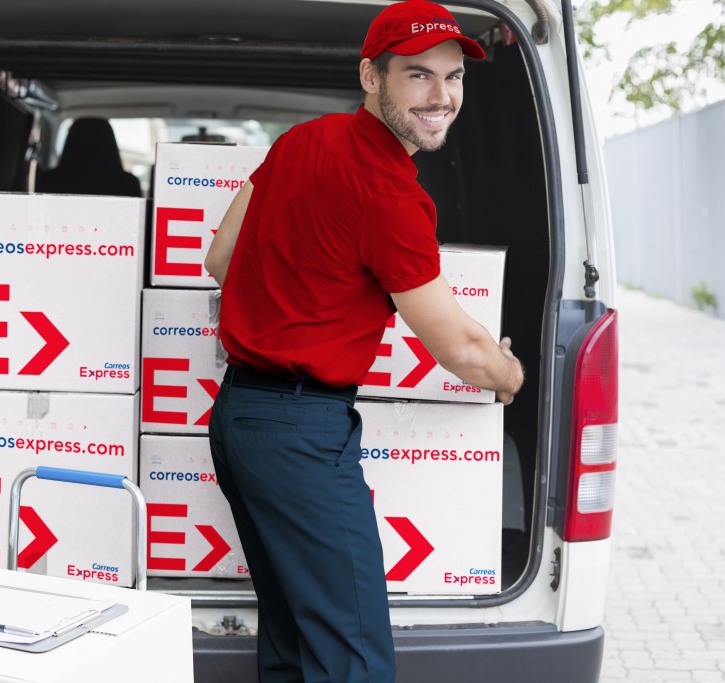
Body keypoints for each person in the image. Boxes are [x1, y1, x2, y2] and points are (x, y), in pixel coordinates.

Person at [203, 1, 524, 681]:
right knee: (353, 660)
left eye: (454, 77)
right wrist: (508, 374)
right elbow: (457, 346)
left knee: (294, 642)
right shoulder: (390, 196)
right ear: (371, 78)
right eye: (418, 76)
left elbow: (222, 256)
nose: (442, 96)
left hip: (238, 417)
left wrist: (301, 289)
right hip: (299, 430)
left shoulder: (301, 140)